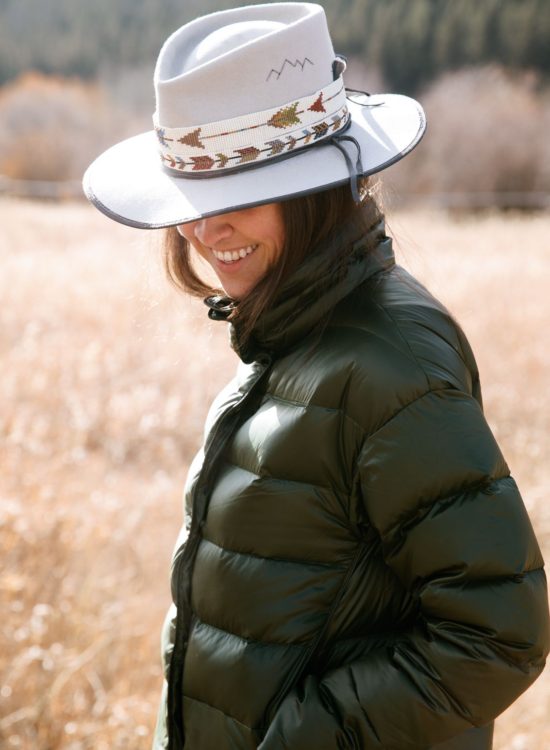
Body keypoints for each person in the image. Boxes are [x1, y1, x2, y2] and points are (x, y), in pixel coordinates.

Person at [83, 4, 549, 749]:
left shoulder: (390, 361)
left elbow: (499, 633)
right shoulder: (295, 337)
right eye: (197, 201)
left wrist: (304, 737)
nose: (206, 231)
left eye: (239, 194)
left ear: (315, 187)